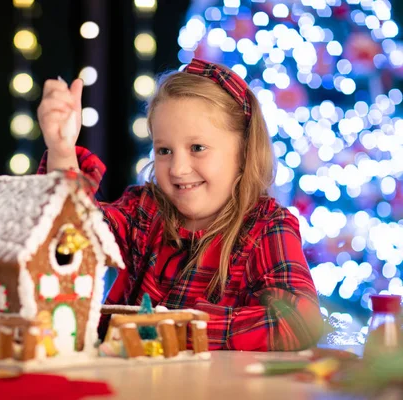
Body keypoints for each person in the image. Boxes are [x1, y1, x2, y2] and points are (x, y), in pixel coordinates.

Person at [36, 59, 323, 351]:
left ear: (244, 151)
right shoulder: (144, 212)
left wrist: (180, 327)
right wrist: (62, 151)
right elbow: (70, 240)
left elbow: (300, 322)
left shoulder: (266, 228)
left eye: (197, 148)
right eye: (164, 150)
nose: (177, 169)